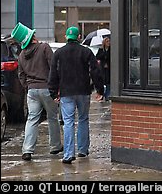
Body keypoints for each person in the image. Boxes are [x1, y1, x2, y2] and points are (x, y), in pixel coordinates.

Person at [48, 26, 104, 164]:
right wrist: (99, 89)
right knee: (84, 119)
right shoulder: (86, 52)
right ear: (79, 37)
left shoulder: (59, 53)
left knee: (68, 122)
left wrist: (53, 92)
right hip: (83, 91)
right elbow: (95, 72)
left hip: (66, 92)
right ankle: (82, 150)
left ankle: (68, 154)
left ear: (66, 37)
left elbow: (53, 74)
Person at [11, 22, 63, 161]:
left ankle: (27, 150)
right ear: (32, 37)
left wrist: (27, 87)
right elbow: (54, 67)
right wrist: (56, 86)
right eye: (34, 34)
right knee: (52, 117)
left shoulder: (21, 55)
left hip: (31, 91)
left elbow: (21, 75)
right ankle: (55, 146)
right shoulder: (44, 47)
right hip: (47, 88)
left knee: (32, 119)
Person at [95, 31, 111, 101]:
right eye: (107, 41)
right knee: (102, 81)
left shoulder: (111, 50)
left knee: (108, 82)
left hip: (109, 68)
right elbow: (97, 57)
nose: (108, 43)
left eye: (109, 41)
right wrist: (104, 53)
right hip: (102, 68)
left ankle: (107, 95)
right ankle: (102, 94)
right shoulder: (101, 50)